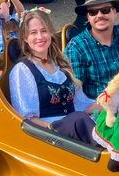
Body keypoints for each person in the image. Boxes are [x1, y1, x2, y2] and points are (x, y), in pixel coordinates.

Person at [9, 10, 101, 145]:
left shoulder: (60, 64)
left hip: (74, 128)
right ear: (24, 38)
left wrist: (112, 103)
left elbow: (81, 105)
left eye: (44, 30)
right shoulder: (22, 70)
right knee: (78, 119)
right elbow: (26, 120)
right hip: (47, 135)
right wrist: (54, 129)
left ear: (50, 33)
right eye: (33, 33)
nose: (40, 37)